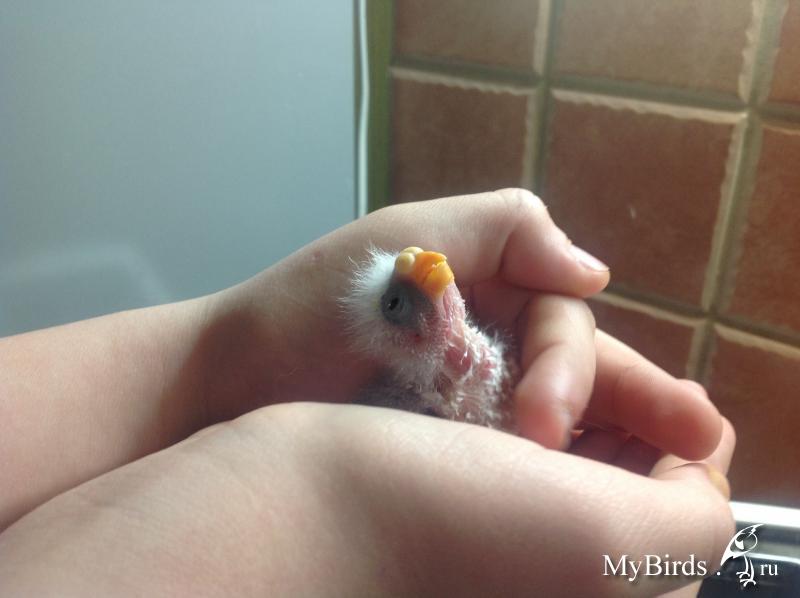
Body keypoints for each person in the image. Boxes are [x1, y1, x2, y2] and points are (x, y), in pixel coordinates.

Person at [0, 189, 733, 596]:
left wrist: (216, 359)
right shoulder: (406, 381)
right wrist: (317, 514)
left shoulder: (437, 357)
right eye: (408, 306)